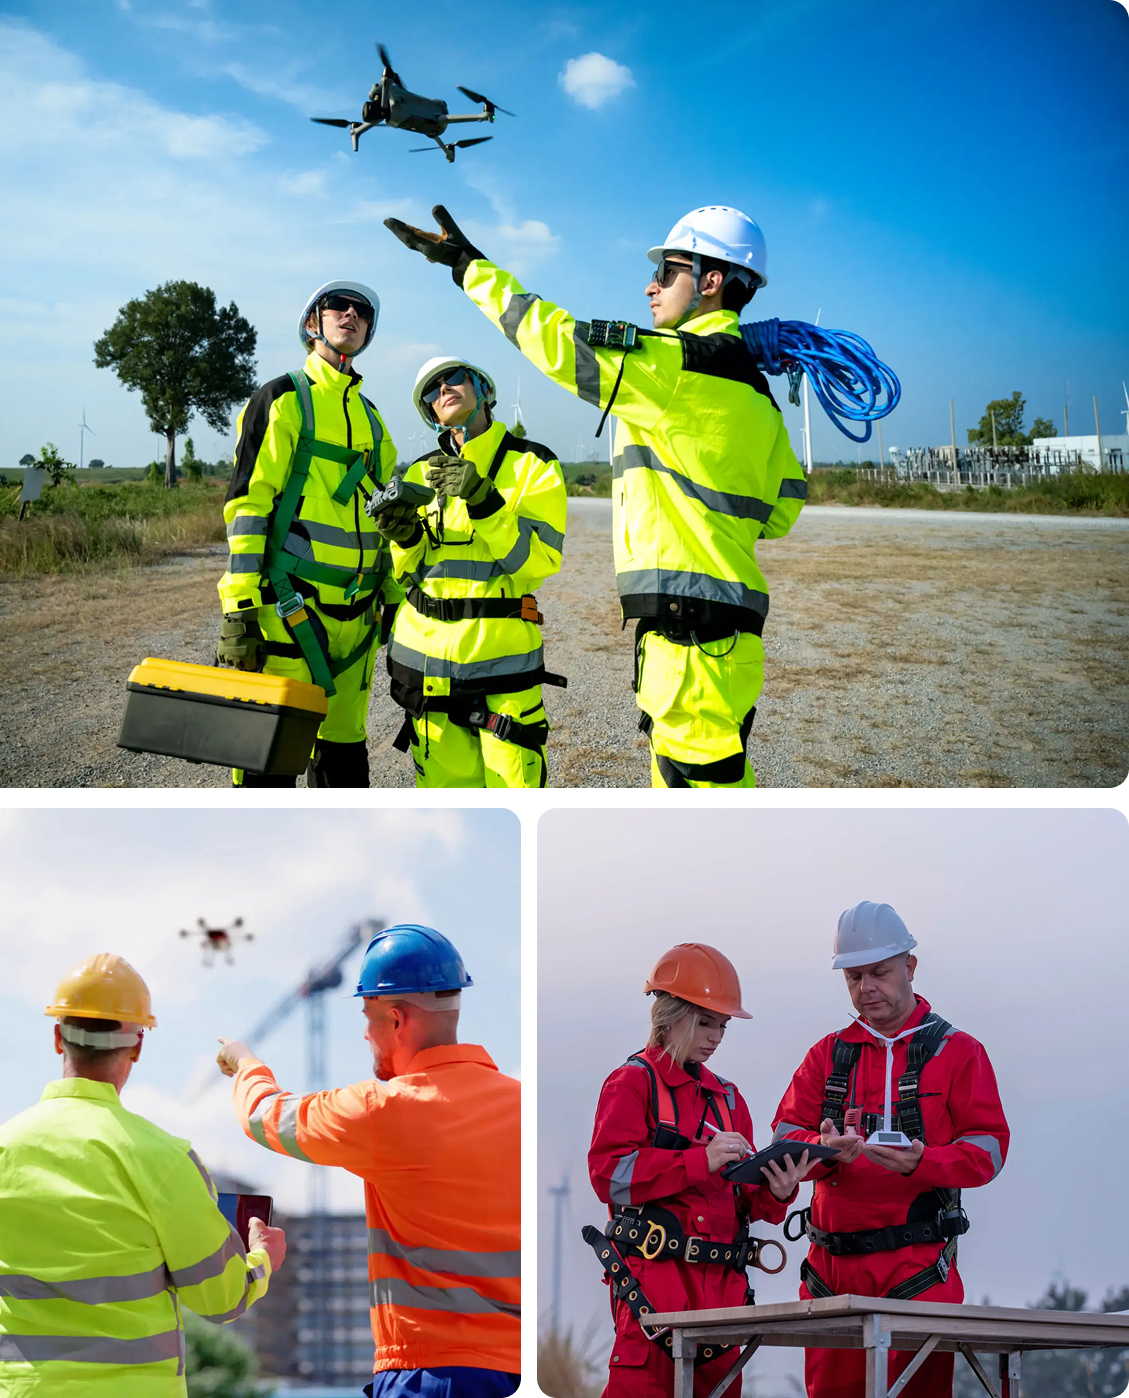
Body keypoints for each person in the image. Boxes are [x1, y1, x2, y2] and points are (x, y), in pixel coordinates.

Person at [384, 204, 806, 789]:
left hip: (688, 641)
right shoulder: (757, 394)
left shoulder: (672, 368)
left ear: (711, 282)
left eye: (669, 272)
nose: (650, 286)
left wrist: (464, 263)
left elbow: (550, 339)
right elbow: (781, 511)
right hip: (732, 637)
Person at [215, 924, 520, 1398]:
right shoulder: (520, 1105)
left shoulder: (385, 1110)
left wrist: (245, 1063)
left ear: (397, 1021)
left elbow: (265, 1117)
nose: (364, 1034)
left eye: (367, 1017)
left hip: (431, 1374)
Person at [0, 954, 286, 1397]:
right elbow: (221, 1297)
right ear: (137, 1046)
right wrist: (262, 1259)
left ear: (58, 1038)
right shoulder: (161, 1157)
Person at [771, 902, 1010, 1398]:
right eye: (854, 977)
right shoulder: (826, 1055)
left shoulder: (959, 1052)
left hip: (919, 1275)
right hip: (829, 1279)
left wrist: (925, 1162)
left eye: (878, 972)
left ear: (910, 967)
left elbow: (988, 1151)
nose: (866, 987)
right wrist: (824, 1149)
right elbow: (782, 1141)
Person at [586, 944, 817, 1398]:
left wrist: (780, 1190)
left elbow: (753, 1206)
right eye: (706, 1022)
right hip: (653, 1296)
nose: (716, 1036)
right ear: (670, 1015)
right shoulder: (632, 1083)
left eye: (723, 1026)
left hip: (725, 1305)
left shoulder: (729, 1099)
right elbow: (607, 1175)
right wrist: (700, 1160)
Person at [216, 280, 402, 790]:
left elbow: (385, 522)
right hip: (288, 611)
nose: (350, 313)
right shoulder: (282, 399)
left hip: (358, 624)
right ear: (311, 324)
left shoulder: (374, 421)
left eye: (362, 311)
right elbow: (248, 506)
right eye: (336, 306)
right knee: (267, 765)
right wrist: (238, 609)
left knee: (345, 768)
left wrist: (393, 601)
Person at [370, 354, 566, 787]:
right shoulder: (421, 472)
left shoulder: (535, 465)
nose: (443, 389)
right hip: (427, 670)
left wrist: (484, 500)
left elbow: (538, 563)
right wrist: (403, 540)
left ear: (482, 387)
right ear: (429, 413)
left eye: (453, 378)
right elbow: (410, 574)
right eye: (431, 390)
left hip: (502, 671)